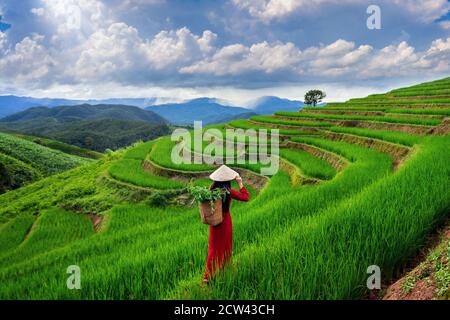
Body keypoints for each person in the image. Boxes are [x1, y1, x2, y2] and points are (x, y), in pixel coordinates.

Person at [203, 165, 250, 284]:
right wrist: (240, 183)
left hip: (215, 223)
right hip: (226, 222)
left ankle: (207, 277)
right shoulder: (229, 192)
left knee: (213, 248)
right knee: (226, 246)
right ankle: (223, 270)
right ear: (228, 181)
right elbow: (246, 197)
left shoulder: (211, 191)